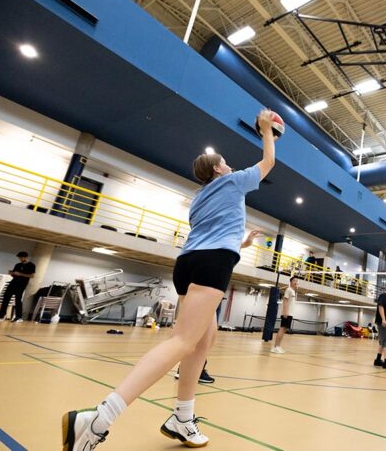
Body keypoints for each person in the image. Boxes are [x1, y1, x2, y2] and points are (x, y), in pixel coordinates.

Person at [62, 109, 277, 450]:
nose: (231, 165)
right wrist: (267, 130)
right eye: (226, 162)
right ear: (218, 169)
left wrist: (245, 243)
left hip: (188, 264)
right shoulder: (233, 182)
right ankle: (97, 420)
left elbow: (213, 234)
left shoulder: (199, 198)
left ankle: (182, 418)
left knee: (204, 341)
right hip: (212, 264)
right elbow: (268, 162)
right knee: (182, 341)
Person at [0, 251, 36, 322]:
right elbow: (14, 274)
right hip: (13, 282)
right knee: (6, 298)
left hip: (22, 284)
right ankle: (2, 315)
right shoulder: (17, 265)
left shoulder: (31, 265)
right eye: (19, 258)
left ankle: (19, 317)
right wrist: (12, 273)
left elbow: (32, 276)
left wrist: (20, 274)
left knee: (18, 300)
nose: (20, 259)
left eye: (21, 257)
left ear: (26, 257)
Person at [271, 275, 299, 354]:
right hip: (287, 313)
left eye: (297, 281)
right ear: (291, 282)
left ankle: (278, 346)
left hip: (290, 314)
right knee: (282, 329)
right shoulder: (288, 289)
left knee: (284, 330)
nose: (296, 282)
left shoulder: (293, 291)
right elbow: (285, 301)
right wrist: (285, 312)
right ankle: (276, 347)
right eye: (294, 281)